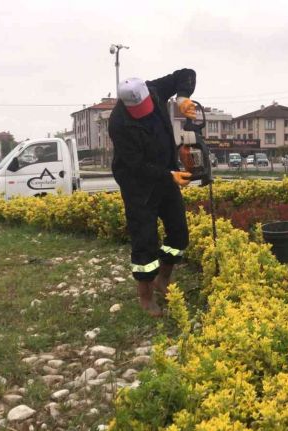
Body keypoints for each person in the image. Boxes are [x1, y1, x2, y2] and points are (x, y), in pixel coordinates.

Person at [108, 69, 197, 316]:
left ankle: (163, 280)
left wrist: (183, 98)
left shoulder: (155, 90)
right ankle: (145, 296)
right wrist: (170, 175)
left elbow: (186, 73)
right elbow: (135, 165)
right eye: (137, 110)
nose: (143, 112)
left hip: (166, 176)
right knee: (144, 242)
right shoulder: (119, 123)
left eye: (145, 105)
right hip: (138, 186)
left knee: (179, 234)